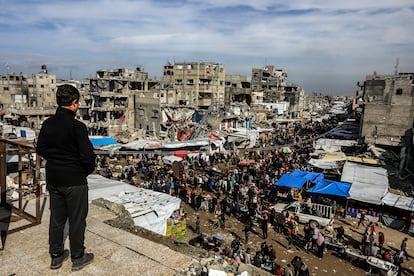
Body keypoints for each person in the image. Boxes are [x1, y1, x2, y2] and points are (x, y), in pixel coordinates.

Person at [36, 84, 96, 271]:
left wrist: (56, 160)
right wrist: (82, 170)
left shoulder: (48, 124)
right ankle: (77, 256)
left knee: (57, 218)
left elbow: (41, 149)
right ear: (74, 103)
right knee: (77, 220)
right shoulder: (77, 127)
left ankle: (56, 255)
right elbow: (88, 156)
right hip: (74, 181)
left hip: (54, 179)